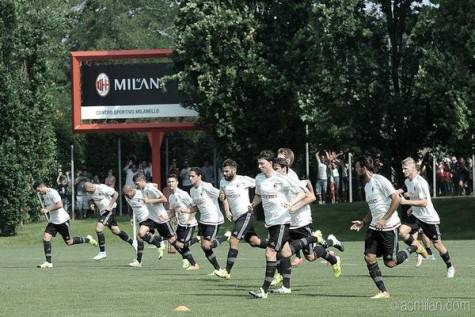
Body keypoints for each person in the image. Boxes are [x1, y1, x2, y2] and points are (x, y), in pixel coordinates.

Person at [248, 151, 328, 299]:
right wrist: (253, 205)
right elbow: (259, 194)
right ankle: (313, 240)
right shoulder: (259, 179)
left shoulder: (281, 179)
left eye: (262, 164)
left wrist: (291, 204)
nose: (259, 166)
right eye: (258, 164)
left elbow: (302, 193)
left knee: (270, 252)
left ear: (270, 164)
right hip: (271, 223)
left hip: (282, 222)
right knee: (285, 253)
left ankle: (263, 290)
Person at [350, 156, 424, 299]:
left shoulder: (380, 180)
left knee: (390, 263)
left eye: (357, 166)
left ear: (364, 168)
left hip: (389, 227)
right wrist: (363, 222)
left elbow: (396, 199)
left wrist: (384, 219)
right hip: (374, 227)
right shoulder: (366, 186)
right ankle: (384, 291)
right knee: (369, 257)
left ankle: (415, 247)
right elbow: (373, 208)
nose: (356, 169)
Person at [271, 157, 342, 291]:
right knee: (282, 251)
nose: (274, 172)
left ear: (284, 168)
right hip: (287, 223)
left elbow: (310, 197)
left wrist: (295, 207)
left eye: (276, 169)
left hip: (302, 223)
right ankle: (283, 282)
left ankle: (332, 252)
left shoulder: (291, 179)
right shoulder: (276, 181)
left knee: (310, 257)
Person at [398, 157, 455, 278]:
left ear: (413, 168)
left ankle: (450, 266)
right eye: (402, 168)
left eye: (405, 168)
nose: (403, 171)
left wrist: (406, 202)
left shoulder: (421, 182)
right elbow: (403, 189)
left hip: (428, 217)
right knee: (402, 232)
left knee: (437, 243)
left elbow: (424, 202)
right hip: (415, 215)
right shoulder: (408, 181)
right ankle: (418, 247)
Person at [216, 159, 268, 279]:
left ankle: (227, 271)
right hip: (237, 217)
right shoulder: (223, 181)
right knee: (254, 241)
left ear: (234, 170)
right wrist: (227, 210)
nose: (224, 174)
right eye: (223, 171)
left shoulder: (243, 180)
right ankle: (277, 246)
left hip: (246, 214)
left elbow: (259, 184)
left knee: (233, 240)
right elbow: (223, 196)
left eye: (227, 171)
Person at [34, 181, 97, 268]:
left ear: (41, 187)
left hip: (62, 220)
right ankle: (48, 262)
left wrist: (47, 209)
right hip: (53, 222)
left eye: (38, 190)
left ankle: (87, 239)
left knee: (69, 242)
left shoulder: (53, 192)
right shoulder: (44, 195)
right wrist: (44, 209)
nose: (38, 192)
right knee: (46, 238)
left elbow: (60, 205)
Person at [187, 167, 229, 275]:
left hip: (213, 219)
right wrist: (186, 211)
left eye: (193, 176)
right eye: (189, 176)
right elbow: (197, 207)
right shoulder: (192, 190)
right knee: (203, 246)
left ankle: (225, 237)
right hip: (203, 220)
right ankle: (218, 269)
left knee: (207, 245)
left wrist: (227, 211)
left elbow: (222, 195)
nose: (190, 178)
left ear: (199, 176)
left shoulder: (206, 186)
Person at [85, 182, 136, 260]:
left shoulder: (101, 188)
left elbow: (116, 194)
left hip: (110, 210)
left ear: (92, 187)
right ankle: (133, 243)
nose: (88, 193)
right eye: (87, 191)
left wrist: (109, 206)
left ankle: (102, 252)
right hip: (103, 212)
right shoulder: (89, 191)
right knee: (116, 231)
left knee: (99, 229)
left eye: (89, 191)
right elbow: (91, 199)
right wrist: (91, 204)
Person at [167, 174, 201, 270]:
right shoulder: (171, 197)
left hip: (189, 224)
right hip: (181, 224)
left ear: (177, 182)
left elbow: (194, 207)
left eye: (172, 181)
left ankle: (197, 240)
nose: (170, 183)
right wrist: (164, 218)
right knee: (174, 242)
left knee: (181, 245)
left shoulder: (183, 194)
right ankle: (191, 262)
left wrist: (190, 220)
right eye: (169, 182)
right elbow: (172, 212)